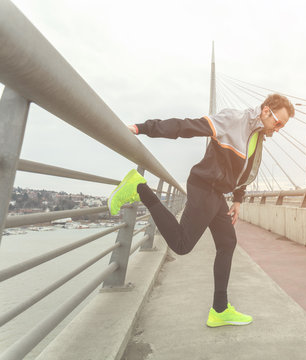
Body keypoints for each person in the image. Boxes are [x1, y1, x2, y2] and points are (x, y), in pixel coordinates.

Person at [107, 94, 294, 327]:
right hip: (204, 187)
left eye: (282, 126)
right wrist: (141, 128)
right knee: (182, 244)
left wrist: (237, 200)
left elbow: (245, 171)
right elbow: (186, 126)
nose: (278, 129)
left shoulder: (257, 135)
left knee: (227, 243)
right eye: (278, 123)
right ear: (266, 111)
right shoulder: (234, 120)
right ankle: (139, 187)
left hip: (217, 193)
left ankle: (220, 310)